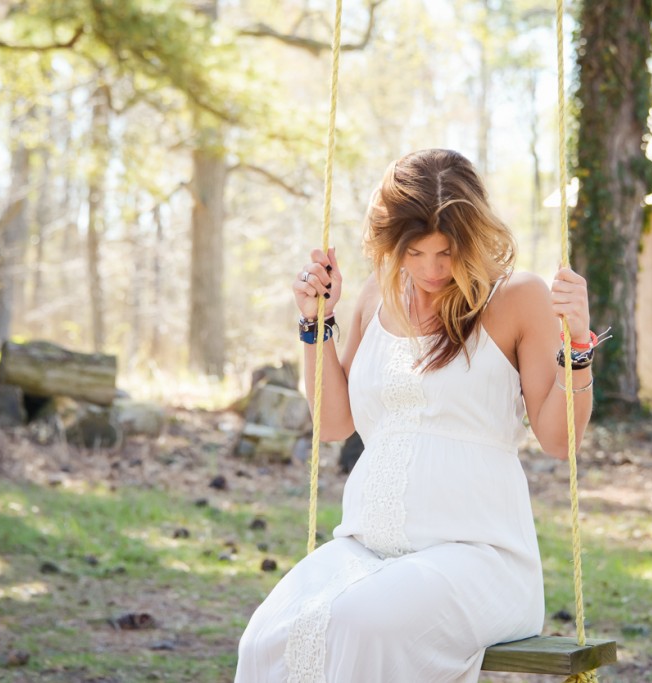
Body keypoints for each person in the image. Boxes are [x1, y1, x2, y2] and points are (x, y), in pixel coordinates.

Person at [236, 148, 596, 682]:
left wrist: (579, 343)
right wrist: (316, 324)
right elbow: (334, 425)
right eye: (415, 253)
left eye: (447, 252)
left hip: (477, 557)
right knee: (268, 635)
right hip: (365, 551)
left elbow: (560, 440)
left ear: (472, 236)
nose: (431, 270)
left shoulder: (517, 297)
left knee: (363, 625)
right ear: (390, 244)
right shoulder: (375, 297)